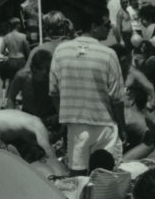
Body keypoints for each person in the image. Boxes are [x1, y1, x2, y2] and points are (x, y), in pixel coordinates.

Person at [49, 10, 127, 175]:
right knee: (107, 175)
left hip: (75, 125)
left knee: (78, 175)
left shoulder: (60, 51)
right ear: (93, 27)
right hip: (105, 125)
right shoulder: (108, 54)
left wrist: (65, 118)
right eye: (106, 25)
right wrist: (122, 126)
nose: (110, 28)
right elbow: (116, 98)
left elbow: (54, 91)